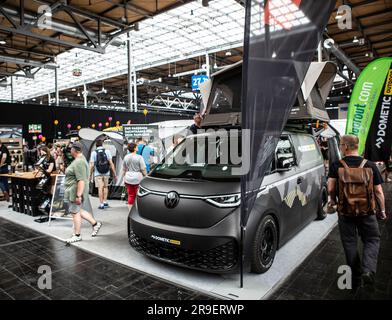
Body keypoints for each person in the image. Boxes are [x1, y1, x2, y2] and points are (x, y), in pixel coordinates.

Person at [327, 134, 386, 290]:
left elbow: (331, 188)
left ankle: (356, 274)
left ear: (346, 146)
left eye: (341, 145)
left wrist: (333, 201)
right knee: (372, 239)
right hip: (367, 212)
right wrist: (382, 210)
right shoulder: (370, 165)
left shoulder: (336, 165)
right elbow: (379, 191)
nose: (340, 147)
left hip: (345, 212)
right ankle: (368, 271)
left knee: (349, 243)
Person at [64, 142, 102, 244]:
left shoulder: (79, 162)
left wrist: (78, 195)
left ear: (75, 150)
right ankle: (95, 224)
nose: (70, 150)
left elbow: (81, 180)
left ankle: (77, 235)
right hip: (74, 191)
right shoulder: (79, 160)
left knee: (75, 212)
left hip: (75, 192)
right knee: (78, 210)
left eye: (71, 148)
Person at [89, 139, 117, 209]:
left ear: (96, 145)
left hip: (97, 173)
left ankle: (101, 204)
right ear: (102, 144)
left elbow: (92, 165)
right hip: (106, 172)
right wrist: (114, 174)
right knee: (105, 187)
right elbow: (111, 163)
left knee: (100, 188)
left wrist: (89, 175)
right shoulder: (107, 151)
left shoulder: (94, 153)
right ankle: (105, 202)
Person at [123, 142, 147, 211]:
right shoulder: (139, 157)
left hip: (128, 177)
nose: (137, 148)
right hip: (137, 178)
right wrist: (146, 176)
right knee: (138, 195)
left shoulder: (126, 157)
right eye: (136, 147)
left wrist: (124, 178)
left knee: (130, 195)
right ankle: (137, 211)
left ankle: (130, 211)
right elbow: (143, 168)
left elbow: (124, 169)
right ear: (134, 148)